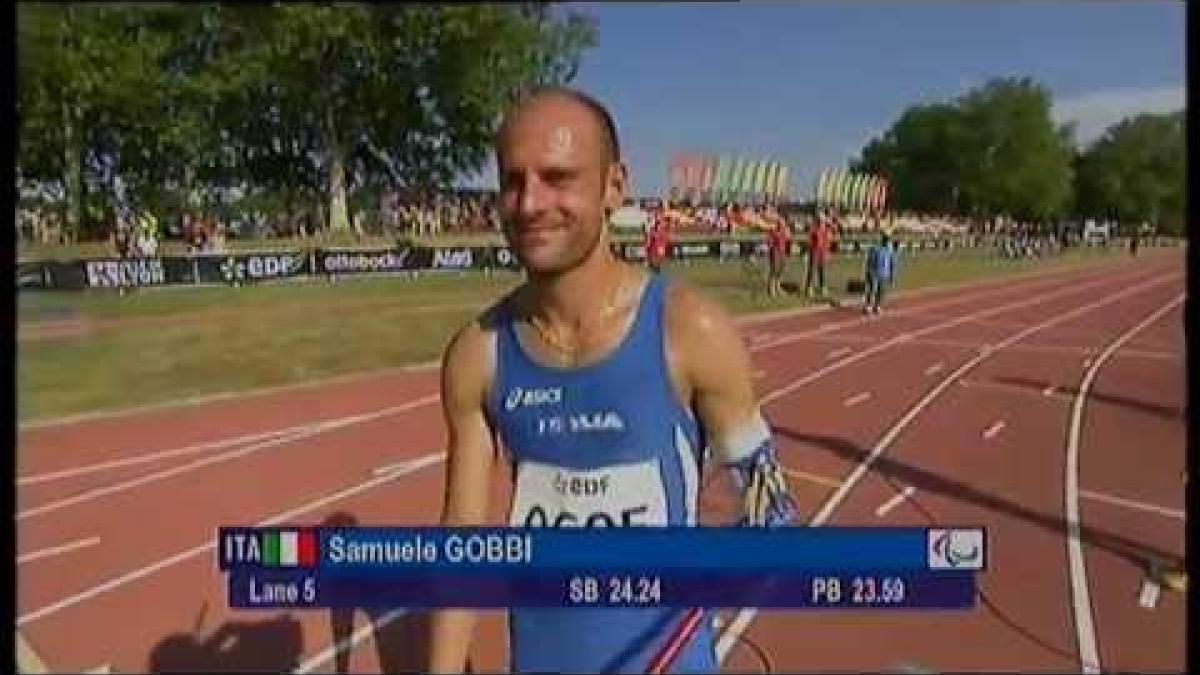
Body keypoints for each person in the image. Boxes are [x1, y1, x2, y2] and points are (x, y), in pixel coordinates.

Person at [429, 87, 797, 674]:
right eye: (513, 180)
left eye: (558, 177)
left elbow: (769, 508)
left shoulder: (689, 330)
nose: (530, 203)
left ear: (614, 186)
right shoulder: (477, 355)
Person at [863, 231, 897, 315]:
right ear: (883, 240)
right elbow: (870, 261)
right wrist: (868, 272)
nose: (887, 242)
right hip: (874, 272)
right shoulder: (875, 249)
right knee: (871, 290)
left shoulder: (890, 251)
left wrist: (892, 276)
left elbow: (892, 264)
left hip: (884, 274)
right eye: (886, 240)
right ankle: (868, 306)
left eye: (888, 240)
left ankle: (877, 306)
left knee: (881, 291)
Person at [805, 210, 832, 297]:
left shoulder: (827, 229)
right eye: (820, 219)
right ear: (817, 220)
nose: (821, 221)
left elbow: (828, 242)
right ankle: (809, 287)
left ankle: (823, 287)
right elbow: (810, 241)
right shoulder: (813, 229)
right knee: (812, 270)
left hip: (823, 252)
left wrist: (827, 252)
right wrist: (810, 251)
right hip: (815, 251)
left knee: (822, 270)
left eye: (822, 219)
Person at [765, 211, 791, 297]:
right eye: (780, 220)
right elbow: (769, 240)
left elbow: (788, 238)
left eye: (783, 220)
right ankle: (771, 288)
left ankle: (777, 285)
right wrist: (771, 247)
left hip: (782, 251)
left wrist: (786, 231)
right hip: (775, 251)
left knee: (782, 268)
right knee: (774, 270)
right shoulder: (773, 228)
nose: (782, 222)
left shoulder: (786, 229)